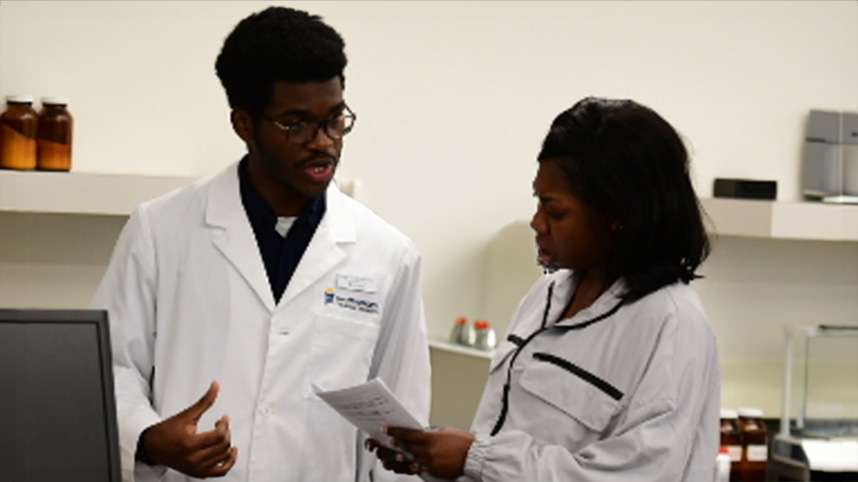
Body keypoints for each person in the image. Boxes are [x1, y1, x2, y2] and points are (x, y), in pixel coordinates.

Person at [92, 6, 431, 482]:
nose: (324, 143)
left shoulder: (388, 255)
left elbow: (398, 426)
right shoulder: (161, 229)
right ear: (244, 124)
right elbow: (111, 367)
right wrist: (148, 437)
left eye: (335, 120)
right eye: (297, 124)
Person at [368, 97, 720, 481]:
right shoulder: (547, 295)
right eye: (538, 202)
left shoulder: (671, 322)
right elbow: (509, 441)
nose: (537, 223)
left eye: (556, 212)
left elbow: (639, 474)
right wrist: (433, 459)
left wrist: (477, 459)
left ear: (616, 216)